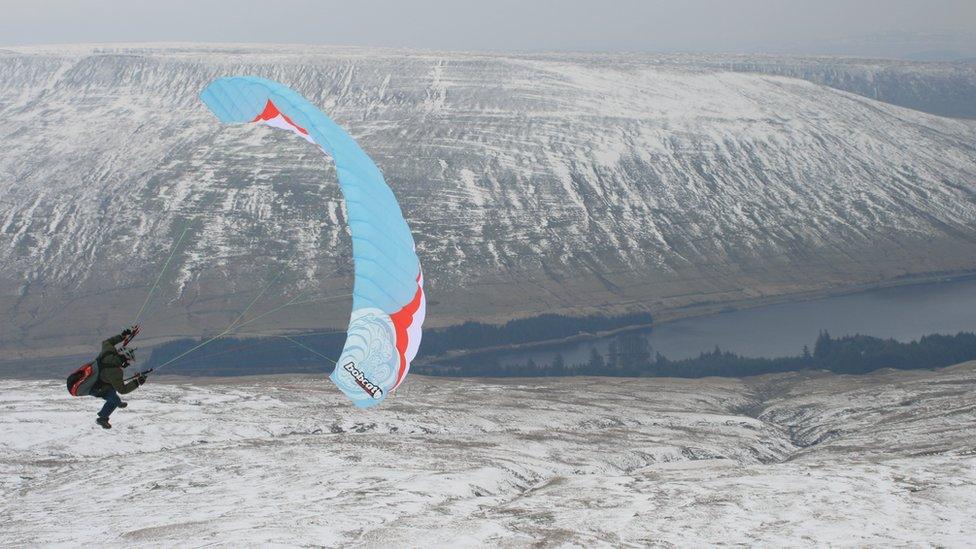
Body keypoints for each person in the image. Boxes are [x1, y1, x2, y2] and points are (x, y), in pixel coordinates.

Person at [90, 328, 147, 429]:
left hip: (94, 378)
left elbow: (107, 342)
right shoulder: (115, 372)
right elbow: (122, 389)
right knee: (114, 399)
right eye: (128, 361)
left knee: (113, 394)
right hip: (95, 387)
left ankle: (111, 409)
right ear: (123, 358)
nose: (127, 364)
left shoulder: (108, 351)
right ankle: (103, 418)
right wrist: (137, 382)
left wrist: (122, 336)